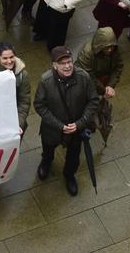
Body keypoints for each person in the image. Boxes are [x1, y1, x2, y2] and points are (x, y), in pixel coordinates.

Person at [33, 45, 100, 194]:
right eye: (62, 63)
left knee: (74, 157)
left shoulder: (83, 77)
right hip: (52, 130)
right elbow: (39, 105)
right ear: (54, 65)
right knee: (48, 150)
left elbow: (93, 101)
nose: (67, 66)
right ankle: (46, 163)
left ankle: (69, 176)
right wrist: (59, 126)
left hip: (76, 130)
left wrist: (80, 123)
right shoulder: (46, 81)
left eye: (69, 61)